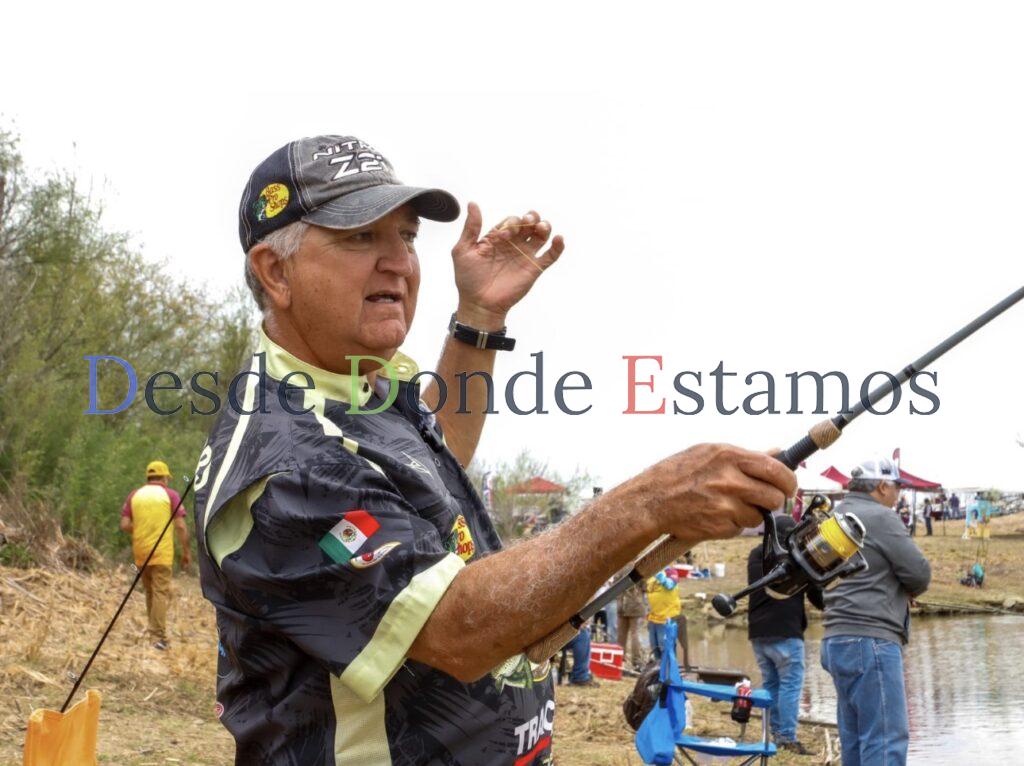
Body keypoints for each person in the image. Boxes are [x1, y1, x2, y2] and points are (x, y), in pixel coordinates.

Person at [193, 134, 798, 764]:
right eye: (359, 237)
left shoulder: (358, 383)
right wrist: (651, 504)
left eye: (405, 236)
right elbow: (454, 630)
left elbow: (436, 452)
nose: (398, 260)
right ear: (275, 271)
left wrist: (479, 318)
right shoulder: (281, 463)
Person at [820, 456, 931, 766]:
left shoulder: (833, 515)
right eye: (896, 487)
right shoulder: (881, 517)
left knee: (855, 739)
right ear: (882, 486)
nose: (898, 495)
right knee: (885, 740)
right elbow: (919, 573)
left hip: (835, 639)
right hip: (871, 641)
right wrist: (906, 589)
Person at [747, 515, 824, 755]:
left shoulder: (755, 554)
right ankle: (788, 738)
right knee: (790, 685)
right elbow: (817, 596)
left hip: (758, 630)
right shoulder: (796, 558)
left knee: (771, 684)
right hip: (786, 630)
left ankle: (776, 735)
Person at [119, 460, 191, 650]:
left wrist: (142, 531)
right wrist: (186, 551)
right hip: (161, 553)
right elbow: (181, 526)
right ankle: (158, 638)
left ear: (148, 477)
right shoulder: (171, 495)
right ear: (165, 477)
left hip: (141, 552)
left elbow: (125, 525)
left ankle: (153, 633)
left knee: (150, 592)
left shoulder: (135, 495)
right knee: (160, 592)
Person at [646, 569, 682, 660]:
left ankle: (670, 671)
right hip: (653, 620)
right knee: (655, 649)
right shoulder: (650, 578)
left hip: (667, 620)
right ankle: (659, 671)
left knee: (666, 649)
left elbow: (669, 585)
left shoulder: (671, 572)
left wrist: (660, 574)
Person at [617, 579, 648, 671]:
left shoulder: (619, 570)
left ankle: (619, 659)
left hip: (622, 605)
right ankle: (637, 662)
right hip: (636, 606)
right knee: (635, 634)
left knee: (621, 635)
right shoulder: (638, 568)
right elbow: (645, 587)